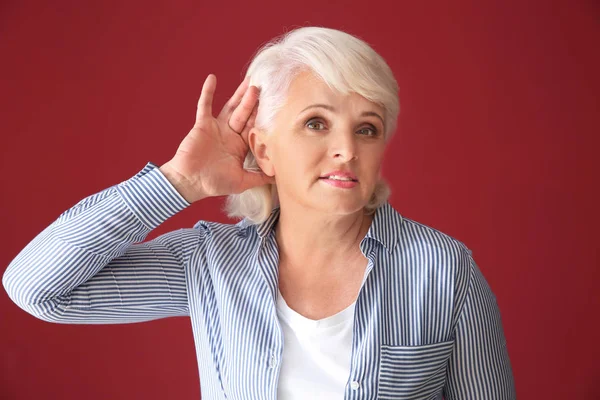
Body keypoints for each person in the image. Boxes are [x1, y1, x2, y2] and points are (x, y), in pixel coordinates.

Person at [2, 26, 516, 399]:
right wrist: (178, 183)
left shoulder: (445, 272)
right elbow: (38, 289)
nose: (347, 149)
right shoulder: (209, 264)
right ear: (263, 150)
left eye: (367, 128)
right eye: (317, 123)